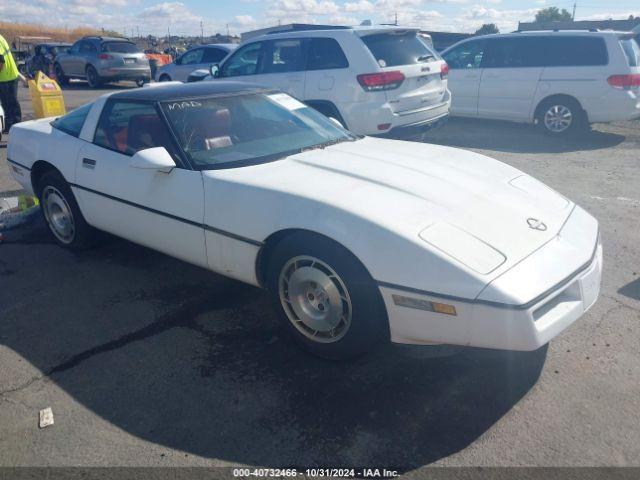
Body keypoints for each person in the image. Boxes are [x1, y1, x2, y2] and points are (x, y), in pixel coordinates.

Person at [0, 34, 27, 134]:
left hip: (6, 77)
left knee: (9, 103)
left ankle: (15, 125)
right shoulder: (1, 37)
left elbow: (1, 61)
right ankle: (10, 125)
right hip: (9, 75)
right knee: (9, 103)